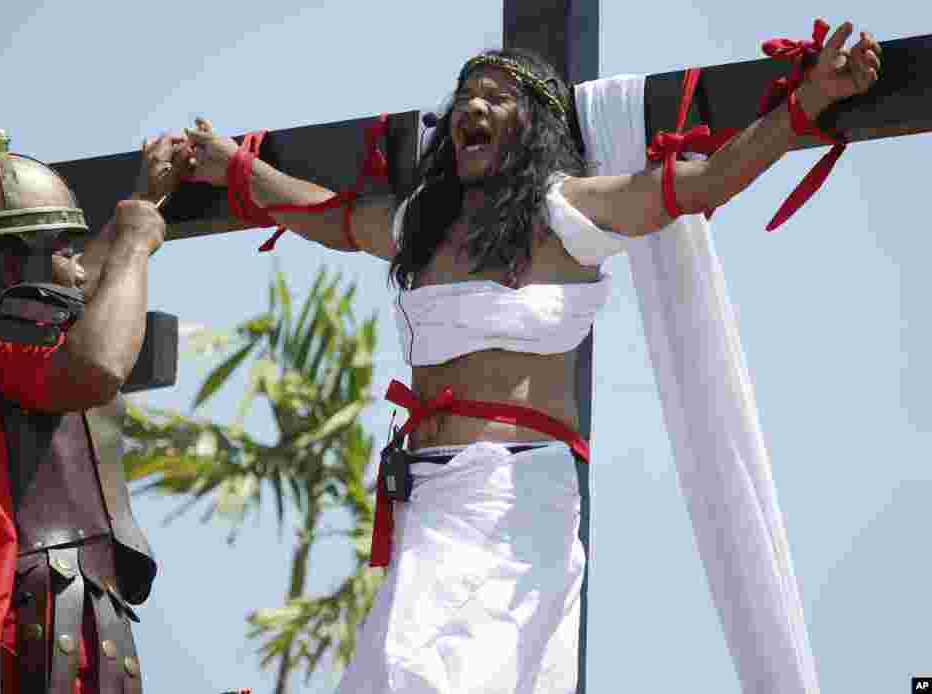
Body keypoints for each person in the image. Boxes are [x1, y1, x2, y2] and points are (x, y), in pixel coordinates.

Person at [179, 20, 879, 694]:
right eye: (465, 96)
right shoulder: (421, 224)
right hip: (427, 493)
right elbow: (328, 218)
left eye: (495, 96)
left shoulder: (563, 213)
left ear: (534, 124)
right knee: (393, 670)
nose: (472, 106)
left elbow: (702, 185)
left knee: (420, 674)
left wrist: (809, 100)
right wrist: (236, 166)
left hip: (515, 499)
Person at [0, 128, 186, 694]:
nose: (81, 266)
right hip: (42, 634)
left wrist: (143, 200)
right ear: (15, 267)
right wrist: (134, 243)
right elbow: (97, 364)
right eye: (64, 249)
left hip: (46, 624)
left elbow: (78, 294)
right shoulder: (13, 328)